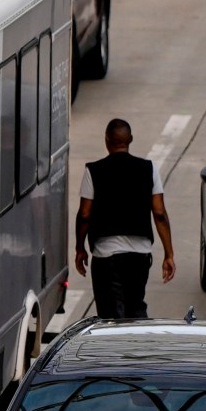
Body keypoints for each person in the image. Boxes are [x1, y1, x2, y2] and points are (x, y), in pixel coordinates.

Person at [74, 117, 174, 319]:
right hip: (140, 254)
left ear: (107, 140)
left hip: (107, 257)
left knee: (111, 316)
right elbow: (160, 213)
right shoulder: (149, 169)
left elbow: (85, 214)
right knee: (135, 308)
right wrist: (169, 254)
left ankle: (117, 349)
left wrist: (80, 248)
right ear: (130, 140)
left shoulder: (93, 170)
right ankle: (137, 347)